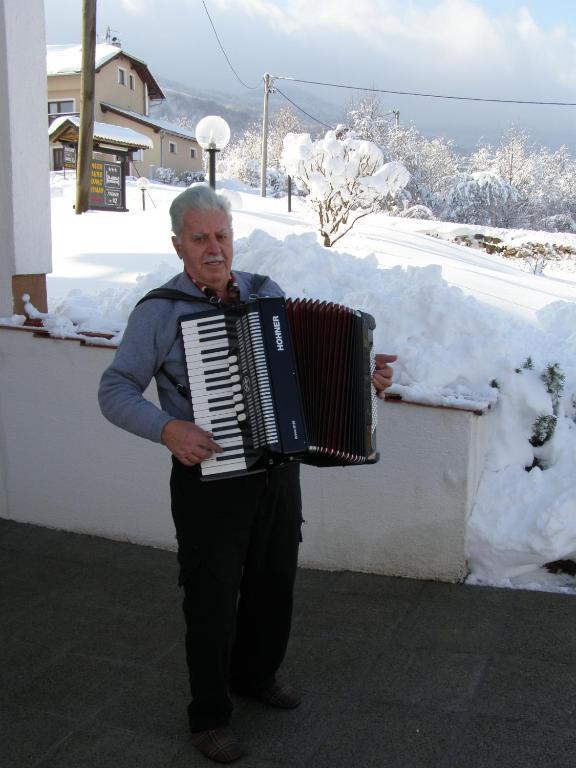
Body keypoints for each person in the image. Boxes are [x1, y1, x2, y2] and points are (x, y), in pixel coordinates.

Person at [98, 185, 395, 764]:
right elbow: (114, 390)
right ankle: (209, 714)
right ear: (178, 244)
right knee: (210, 597)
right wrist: (168, 429)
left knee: (273, 581)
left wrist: (364, 380)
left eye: (222, 236)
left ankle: (257, 674)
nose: (215, 248)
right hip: (207, 479)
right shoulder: (159, 312)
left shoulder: (267, 294)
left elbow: (301, 378)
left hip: (276, 473)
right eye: (201, 238)